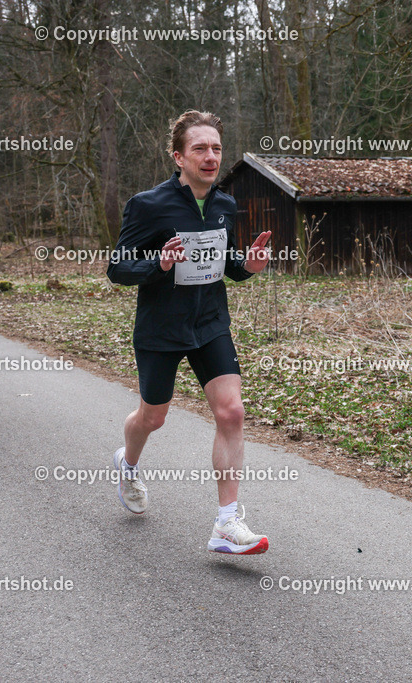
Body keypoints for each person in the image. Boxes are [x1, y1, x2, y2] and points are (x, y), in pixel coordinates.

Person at [107, 110, 273, 555]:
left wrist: (248, 267)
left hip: (210, 324)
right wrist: (157, 265)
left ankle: (226, 523)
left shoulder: (224, 204)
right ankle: (128, 463)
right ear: (177, 156)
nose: (210, 156)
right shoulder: (148, 205)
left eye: (217, 148)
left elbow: (229, 265)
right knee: (152, 418)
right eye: (200, 148)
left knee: (231, 413)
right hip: (161, 329)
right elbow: (117, 268)